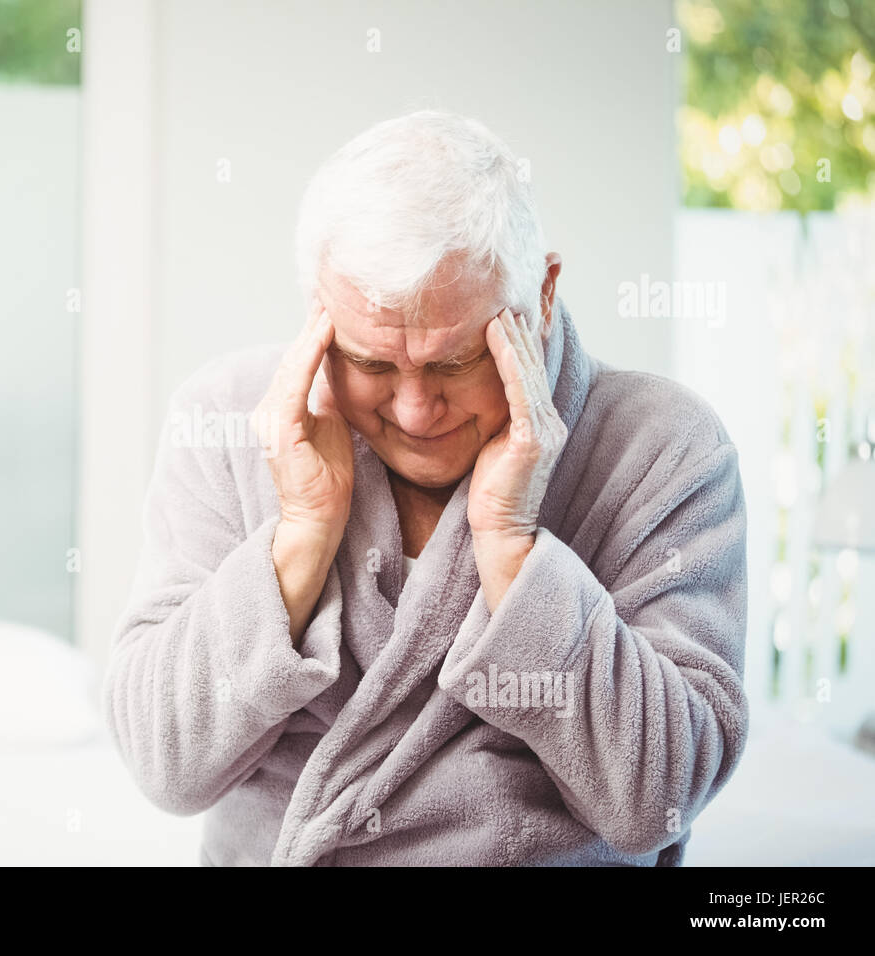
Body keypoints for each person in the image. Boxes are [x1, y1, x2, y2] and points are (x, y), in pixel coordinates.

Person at [101, 110, 750, 866]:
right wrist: (301, 535)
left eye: (453, 364)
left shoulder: (663, 447)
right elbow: (163, 762)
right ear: (318, 309)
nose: (414, 412)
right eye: (372, 364)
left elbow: (659, 796)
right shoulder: (225, 419)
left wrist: (511, 547)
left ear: (541, 297)